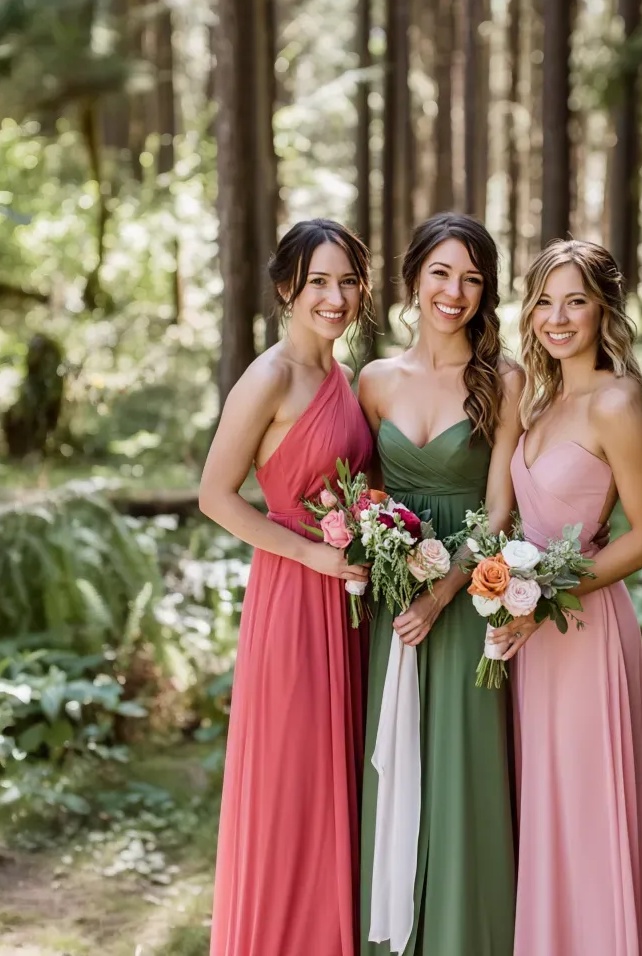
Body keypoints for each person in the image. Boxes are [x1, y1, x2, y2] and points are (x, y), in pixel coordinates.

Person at [490, 239, 642, 956]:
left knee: (588, 814)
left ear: (604, 310)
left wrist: (547, 595)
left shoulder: (616, 402)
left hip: (586, 627)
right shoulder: (540, 400)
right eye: (544, 301)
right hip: (531, 634)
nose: (557, 317)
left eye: (576, 301)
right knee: (544, 809)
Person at [199, 219, 375, 956]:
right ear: (285, 290)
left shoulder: (347, 378)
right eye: (317, 283)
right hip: (293, 596)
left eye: (347, 282)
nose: (334, 298)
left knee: (346, 782)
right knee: (293, 785)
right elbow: (216, 495)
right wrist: (312, 557)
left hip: (351, 601)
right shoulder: (268, 376)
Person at [357, 212, 523, 956]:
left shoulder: (503, 382)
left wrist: (444, 591)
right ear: (413, 277)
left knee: (460, 771)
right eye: (441, 273)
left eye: (472, 278)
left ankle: (462, 936)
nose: (454, 292)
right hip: (392, 601)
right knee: (389, 764)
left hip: (465, 599)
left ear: (485, 292)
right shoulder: (374, 380)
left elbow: (499, 509)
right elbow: (363, 492)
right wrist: (380, 557)